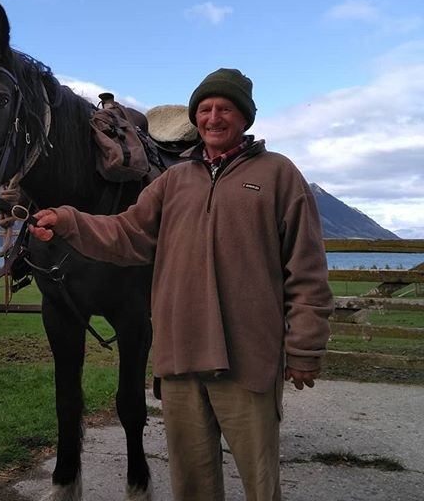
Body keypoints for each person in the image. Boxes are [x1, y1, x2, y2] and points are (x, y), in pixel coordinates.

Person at [29, 68, 334, 501]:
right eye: (205, 109)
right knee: (191, 486)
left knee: (260, 485)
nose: (213, 118)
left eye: (225, 108)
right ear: (196, 118)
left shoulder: (279, 176)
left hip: (248, 361)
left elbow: (306, 268)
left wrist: (304, 347)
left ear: (244, 117)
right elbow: (126, 233)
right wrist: (69, 221)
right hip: (180, 362)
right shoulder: (173, 181)